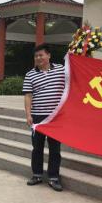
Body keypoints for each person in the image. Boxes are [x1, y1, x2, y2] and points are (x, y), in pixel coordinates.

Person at [23, 43, 65, 192]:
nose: (38, 58)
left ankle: (53, 177)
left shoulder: (61, 69)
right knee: (37, 147)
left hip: (56, 117)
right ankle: (37, 175)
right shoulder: (30, 74)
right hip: (38, 117)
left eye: (41, 55)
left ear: (49, 55)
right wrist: (28, 114)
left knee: (55, 149)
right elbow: (28, 96)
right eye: (36, 56)